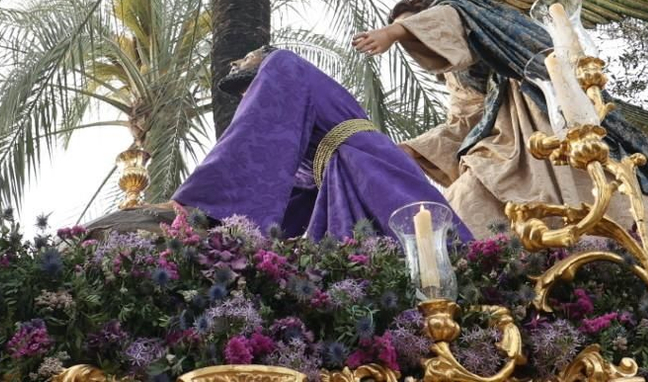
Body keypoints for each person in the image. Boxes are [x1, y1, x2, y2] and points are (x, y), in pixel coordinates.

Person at [354, 0, 648, 238]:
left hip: (540, 107)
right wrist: (414, 150)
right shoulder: (456, 78)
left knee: (592, 189)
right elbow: (465, 122)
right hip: (504, 140)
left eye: (414, 31)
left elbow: (452, 17)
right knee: (465, 206)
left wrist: (393, 32)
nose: (413, 43)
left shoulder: (466, 10)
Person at [166, 48, 473, 242]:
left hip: (368, 169)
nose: (235, 61)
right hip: (347, 176)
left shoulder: (282, 61)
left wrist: (203, 206)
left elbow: (251, 139)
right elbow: (291, 191)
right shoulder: (304, 139)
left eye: (246, 57)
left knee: (428, 252)